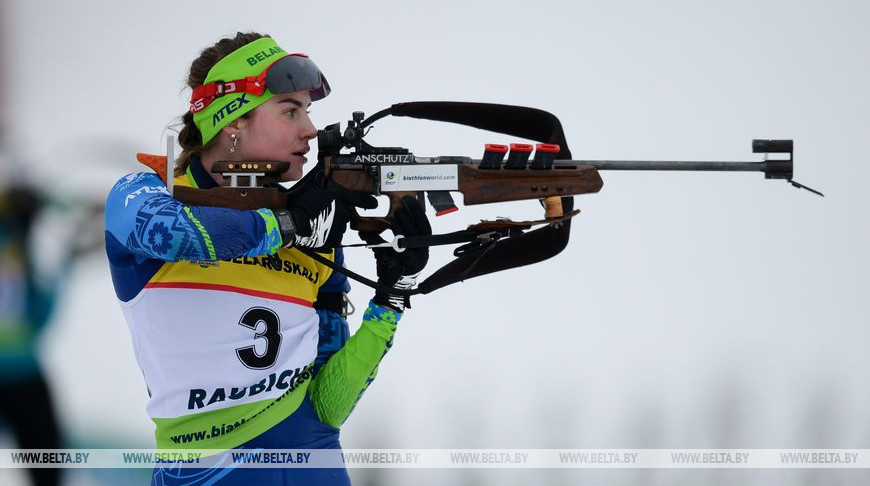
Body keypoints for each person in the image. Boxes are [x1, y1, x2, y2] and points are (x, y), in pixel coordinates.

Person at [104, 32, 430, 485]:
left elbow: (326, 408)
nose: (310, 129)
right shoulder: (145, 195)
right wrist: (290, 225)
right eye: (290, 111)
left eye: (308, 111)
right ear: (232, 121)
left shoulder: (316, 231)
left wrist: (391, 297)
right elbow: (177, 235)